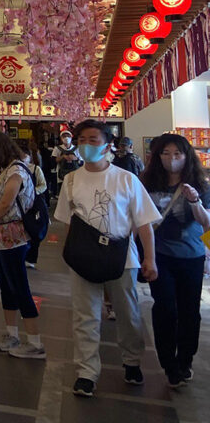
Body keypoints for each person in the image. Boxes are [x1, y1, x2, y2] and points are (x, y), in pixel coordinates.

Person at [53, 119, 160, 398]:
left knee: (128, 313)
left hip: (121, 256)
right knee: (84, 316)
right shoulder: (72, 179)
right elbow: (68, 222)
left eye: (93, 140)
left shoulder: (126, 179)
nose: (87, 145)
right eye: (82, 140)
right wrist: (68, 254)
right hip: (83, 256)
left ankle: (132, 361)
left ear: (108, 145)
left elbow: (145, 223)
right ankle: (86, 372)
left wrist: (150, 259)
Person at [141, 134, 210, 388]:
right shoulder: (147, 183)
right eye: (166, 154)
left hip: (192, 256)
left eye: (178, 154)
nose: (172, 159)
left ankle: (185, 360)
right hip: (160, 256)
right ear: (157, 157)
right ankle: (169, 364)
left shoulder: (200, 186)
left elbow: (206, 222)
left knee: (189, 310)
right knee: (166, 308)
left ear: (187, 156)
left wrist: (194, 200)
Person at [0, 129, 44, 360]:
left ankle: (35, 342)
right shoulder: (6, 170)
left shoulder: (16, 170)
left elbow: (6, 201)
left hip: (12, 235)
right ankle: (11, 334)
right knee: (6, 286)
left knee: (19, 285)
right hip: (1, 234)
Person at [23, 143, 48, 270]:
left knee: (34, 231)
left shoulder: (35, 169)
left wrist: (31, 193)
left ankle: (31, 258)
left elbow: (43, 185)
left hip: (34, 205)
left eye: (24, 155)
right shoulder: (13, 169)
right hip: (20, 206)